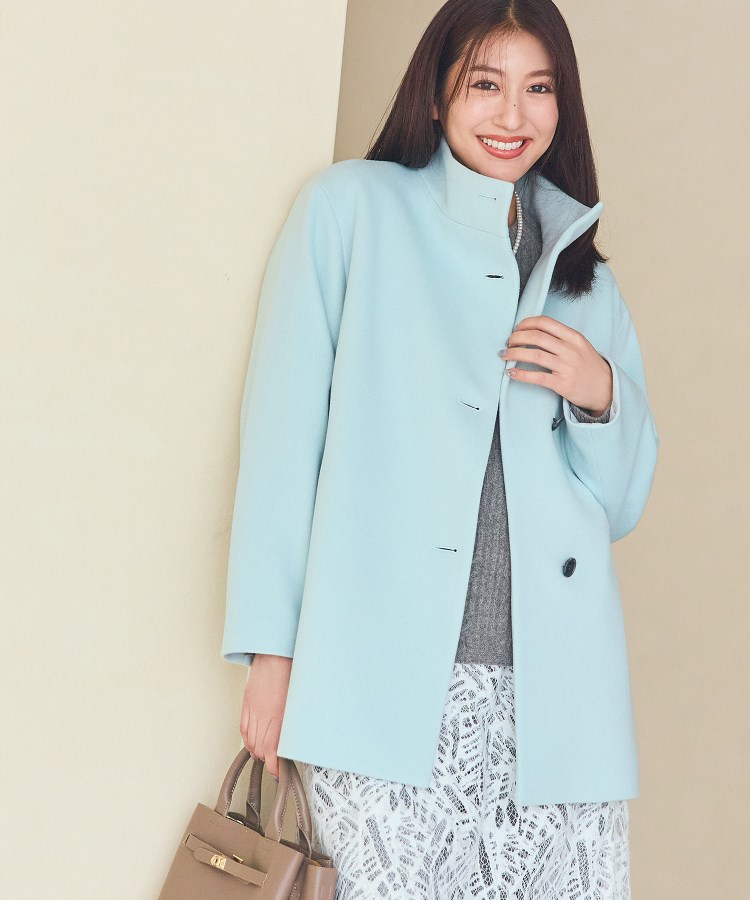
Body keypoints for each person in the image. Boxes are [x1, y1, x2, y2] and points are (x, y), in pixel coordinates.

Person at [222, 1, 659, 897]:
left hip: (557, 705)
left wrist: (601, 394)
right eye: (485, 84)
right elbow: (283, 440)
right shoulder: (350, 211)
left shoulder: (586, 276)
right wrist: (271, 655)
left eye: (539, 88)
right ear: (436, 93)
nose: (513, 115)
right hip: (383, 681)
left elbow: (619, 506)